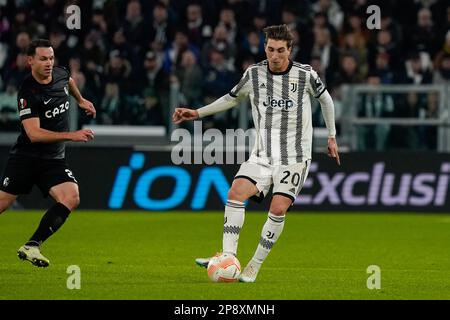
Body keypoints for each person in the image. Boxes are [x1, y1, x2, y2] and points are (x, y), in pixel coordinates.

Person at [172, 25, 340, 282]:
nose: (275, 56)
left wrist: (331, 136)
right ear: (265, 48)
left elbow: (326, 100)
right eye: (271, 49)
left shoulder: (305, 75)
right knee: (236, 192)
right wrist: (197, 113)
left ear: (289, 50)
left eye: (280, 51)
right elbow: (231, 98)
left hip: (294, 157)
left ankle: (253, 266)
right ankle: (227, 257)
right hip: (262, 154)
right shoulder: (254, 74)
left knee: (278, 207)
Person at [0, 39, 96, 268]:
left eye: (51, 58)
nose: (49, 63)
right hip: (26, 159)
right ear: (30, 60)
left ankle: (33, 245)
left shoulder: (61, 74)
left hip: (52, 160)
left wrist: (81, 100)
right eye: (43, 59)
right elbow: (33, 134)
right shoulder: (28, 92)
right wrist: (71, 135)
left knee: (71, 196)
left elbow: (69, 81)